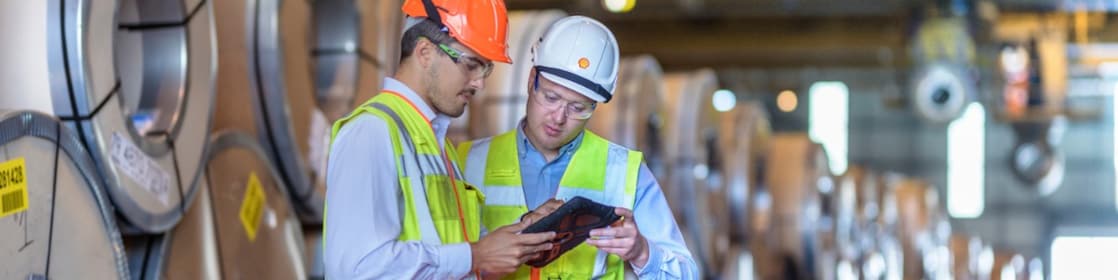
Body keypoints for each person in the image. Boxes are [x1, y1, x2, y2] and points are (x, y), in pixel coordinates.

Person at [323, 0, 556, 278]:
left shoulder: (438, 143)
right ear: (424, 52)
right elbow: (359, 269)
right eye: (471, 65)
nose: (479, 83)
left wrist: (523, 234)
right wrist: (476, 255)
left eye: (486, 69)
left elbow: (453, 255)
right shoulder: (372, 132)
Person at [457, 16, 699, 279]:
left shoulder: (624, 171)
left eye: (578, 108)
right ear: (531, 80)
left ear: (595, 107)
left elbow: (685, 273)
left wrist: (642, 252)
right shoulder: (468, 162)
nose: (558, 118)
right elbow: (439, 263)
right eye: (551, 97)